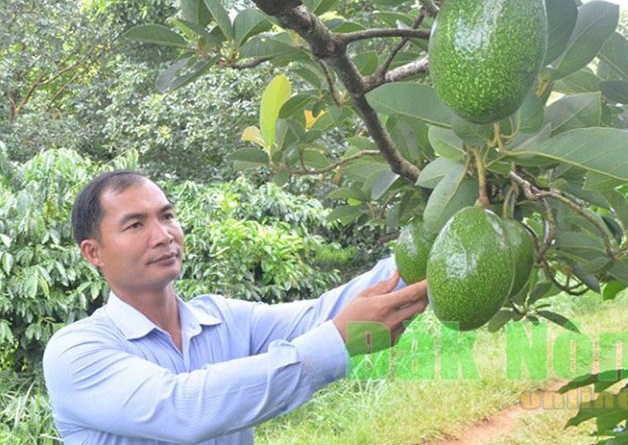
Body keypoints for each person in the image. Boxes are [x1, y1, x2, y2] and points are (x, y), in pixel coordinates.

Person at [43, 170, 428, 444]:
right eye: (135, 225)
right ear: (93, 252)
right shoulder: (76, 352)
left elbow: (324, 313)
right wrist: (336, 341)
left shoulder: (222, 318)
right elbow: (185, 410)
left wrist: (438, 240)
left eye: (167, 216)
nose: (163, 236)